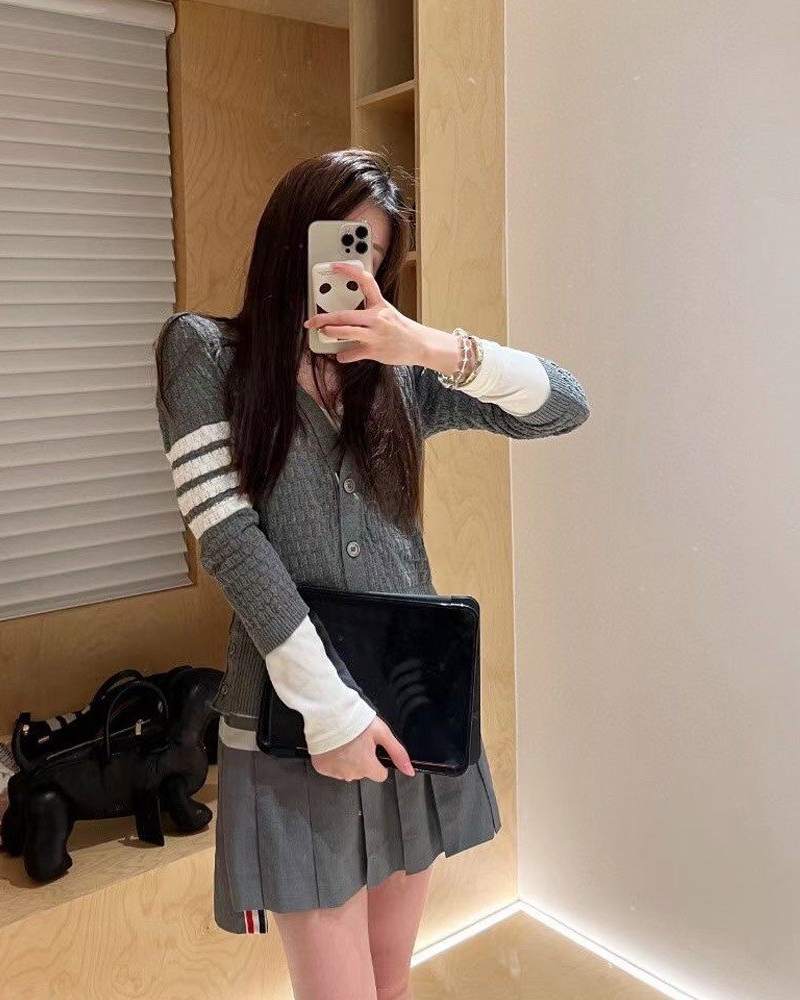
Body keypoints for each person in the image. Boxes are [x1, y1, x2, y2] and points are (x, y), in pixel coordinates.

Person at [153, 148, 589, 1000]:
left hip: (405, 708)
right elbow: (231, 541)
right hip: (298, 717)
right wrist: (330, 712)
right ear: (291, 236)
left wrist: (423, 344)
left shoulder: (399, 380)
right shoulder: (204, 354)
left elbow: (565, 405)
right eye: (341, 242)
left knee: (391, 981)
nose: (354, 270)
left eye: (375, 256)